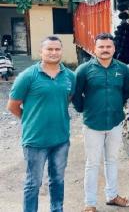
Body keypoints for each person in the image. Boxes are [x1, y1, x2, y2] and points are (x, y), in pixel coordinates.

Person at [7, 36, 75, 212]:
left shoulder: (69, 76)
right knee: (33, 183)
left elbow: (66, 99)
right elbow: (13, 106)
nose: (53, 53)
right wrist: (29, 119)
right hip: (35, 141)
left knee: (58, 179)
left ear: (61, 51)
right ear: (41, 52)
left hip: (61, 139)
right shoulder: (28, 76)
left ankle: (57, 209)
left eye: (57, 49)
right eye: (49, 49)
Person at [72, 33, 129, 212]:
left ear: (114, 48)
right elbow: (76, 95)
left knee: (112, 160)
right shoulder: (83, 70)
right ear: (95, 48)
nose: (105, 50)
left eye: (108, 47)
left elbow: (125, 92)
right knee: (92, 164)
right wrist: (85, 110)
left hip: (114, 123)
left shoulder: (123, 69)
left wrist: (115, 108)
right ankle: (90, 203)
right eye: (101, 47)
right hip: (93, 124)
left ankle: (112, 196)